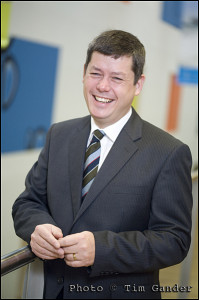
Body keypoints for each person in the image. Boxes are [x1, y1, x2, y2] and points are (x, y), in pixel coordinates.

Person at [12, 30, 193, 299]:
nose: (102, 86)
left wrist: (102, 249)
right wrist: (37, 228)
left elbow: (173, 241)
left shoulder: (168, 152)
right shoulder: (59, 135)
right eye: (96, 73)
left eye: (117, 78)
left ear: (138, 84)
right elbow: (29, 202)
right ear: (84, 72)